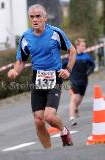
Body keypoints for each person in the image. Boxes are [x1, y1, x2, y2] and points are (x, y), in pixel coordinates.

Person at [7, 4, 76, 148]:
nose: (35, 19)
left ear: (45, 18)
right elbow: (21, 60)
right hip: (37, 78)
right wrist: (15, 71)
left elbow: (72, 51)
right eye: (32, 17)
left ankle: (63, 131)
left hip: (54, 77)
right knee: (38, 120)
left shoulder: (55, 33)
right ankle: (48, 153)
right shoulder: (26, 37)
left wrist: (68, 70)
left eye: (38, 16)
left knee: (49, 116)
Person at [64, 38, 95, 126]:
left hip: (84, 81)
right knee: (74, 97)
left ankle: (76, 108)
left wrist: (88, 72)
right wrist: (64, 74)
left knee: (80, 98)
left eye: (84, 46)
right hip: (73, 80)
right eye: (82, 46)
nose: (84, 47)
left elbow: (92, 65)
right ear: (77, 46)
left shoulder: (86, 57)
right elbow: (64, 65)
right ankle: (72, 118)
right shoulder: (71, 56)